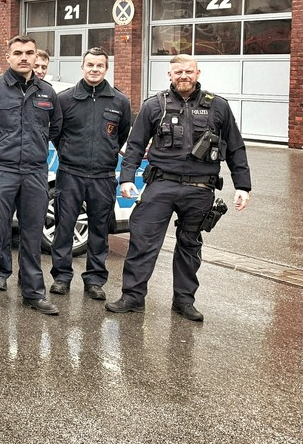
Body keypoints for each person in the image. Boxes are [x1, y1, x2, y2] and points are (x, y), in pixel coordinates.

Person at [106, 55, 251, 322]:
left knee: (190, 245)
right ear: (169, 75)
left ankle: (184, 301)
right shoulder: (154, 105)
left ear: (198, 72)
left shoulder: (218, 106)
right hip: (161, 185)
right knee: (143, 242)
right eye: (178, 72)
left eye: (188, 71)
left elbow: (236, 147)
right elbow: (135, 145)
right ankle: (132, 297)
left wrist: (242, 185)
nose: (183, 76)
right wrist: (126, 178)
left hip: (200, 189)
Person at [0, 35, 62, 316]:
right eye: (17, 53)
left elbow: (54, 129)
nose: (23, 57)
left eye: (29, 53)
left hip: (34, 172)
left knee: (32, 236)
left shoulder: (47, 93)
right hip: (0, 171)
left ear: (35, 57)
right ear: (8, 57)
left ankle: (33, 293)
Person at [49, 48, 131, 301]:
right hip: (70, 173)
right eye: (90, 65)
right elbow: (56, 133)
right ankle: (61, 278)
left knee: (99, 230)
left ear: (106, 69)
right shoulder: (65, 100)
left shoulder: (120, 101)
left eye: (99, 65)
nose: (94, 69)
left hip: (103, 176)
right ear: (82, 67)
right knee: (64, 228)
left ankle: (95, 280)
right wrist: (69, 152)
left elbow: (122, 133)